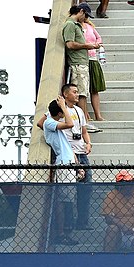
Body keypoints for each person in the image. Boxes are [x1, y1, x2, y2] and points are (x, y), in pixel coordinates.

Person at [42, 97, 79, 246]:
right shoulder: (49, 122)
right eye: (63, 110)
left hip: (68, 163)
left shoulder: (53, 122)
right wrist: (63, 107)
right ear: (58, 112)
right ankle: (61, 233)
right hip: (63, 165)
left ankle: (65, 231)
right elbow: (70, 124)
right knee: (63, 201)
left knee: (67, 200)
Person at [62, 3, 96, 122]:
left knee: (83, 92)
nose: (86, 19)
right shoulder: (70, 24)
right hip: (77, 63)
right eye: (85, 15)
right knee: (80, 93)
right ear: (81, 11)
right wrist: (87, 45)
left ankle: (84, 120)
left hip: (81, 62)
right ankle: (83, 122)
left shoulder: (75, 24)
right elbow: (70, 44)